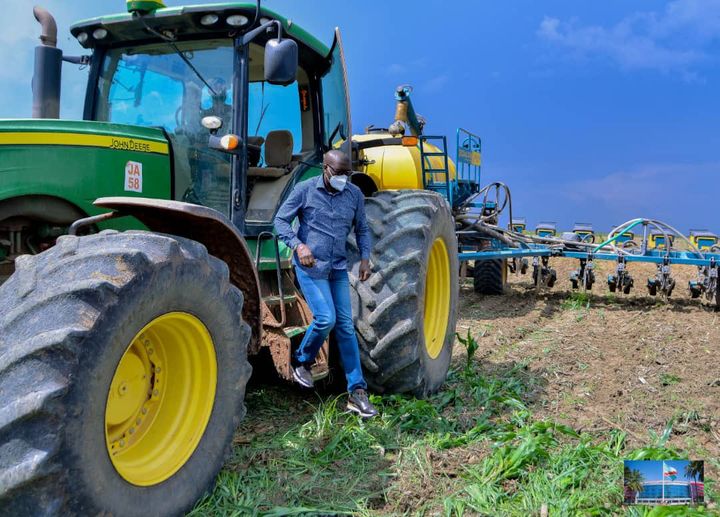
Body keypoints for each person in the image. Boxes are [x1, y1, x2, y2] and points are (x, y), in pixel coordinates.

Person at [274, 149, 378, 418]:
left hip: (338, 268)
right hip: (311, 268)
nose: (344, 178)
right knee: (326, 319)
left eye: (348, 173)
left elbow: (363, 229)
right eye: (339, 172)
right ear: (325, 168)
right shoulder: (304, 190)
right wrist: (298, 246)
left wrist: (366, 258)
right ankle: (301, 361)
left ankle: (357, 392)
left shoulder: (353, 195)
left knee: (345, 326)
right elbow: (280, 221)